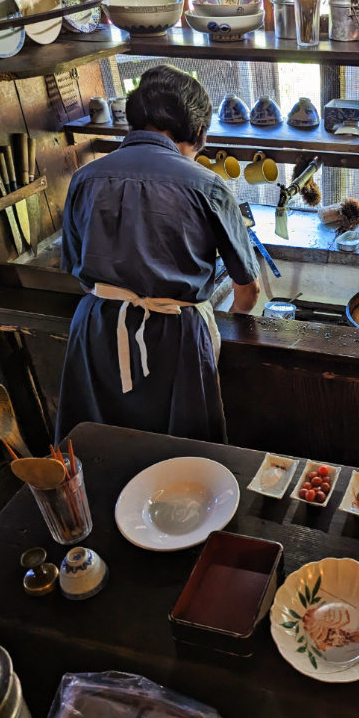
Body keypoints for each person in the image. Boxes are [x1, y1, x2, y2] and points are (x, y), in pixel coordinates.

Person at [55, 64, 260, 443]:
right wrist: (229, 322)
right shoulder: (207, 185)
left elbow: (78, 272)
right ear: (199, 132)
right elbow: (248, 291)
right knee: (182, 453)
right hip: (176, 337)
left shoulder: (84, 179)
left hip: (96, 330)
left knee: (100, 446)